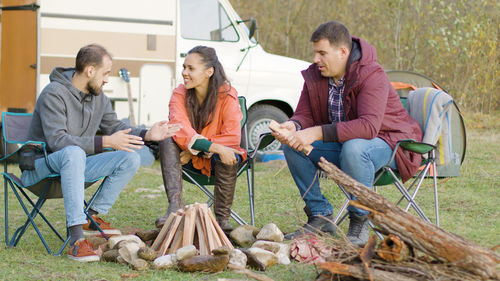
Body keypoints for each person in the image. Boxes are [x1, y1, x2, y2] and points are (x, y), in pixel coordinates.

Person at [21, 44, 181, 262]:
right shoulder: (53, 94)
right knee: (73, 153)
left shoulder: (98, 97)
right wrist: (105, 141)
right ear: (90, 71)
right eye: (105, 73)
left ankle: (91, 216)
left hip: (73, 169)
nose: (107, 79)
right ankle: (76, 240)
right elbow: (58, 141)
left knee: (129, 157)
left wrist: (148, 134)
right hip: (40, 168)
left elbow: (115, 127)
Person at [272, 21, 423, 246]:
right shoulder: (316, 74)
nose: (316, 60)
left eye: (322, 53)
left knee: (355, 147)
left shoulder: (371, 74)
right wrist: (293, 126)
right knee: (292, 146)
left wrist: (315, 133)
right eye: (315, 53)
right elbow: (305, 114)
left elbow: (369, 127)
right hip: (345, 144)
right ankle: (320, 216)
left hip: (389, 143)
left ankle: (360, 219)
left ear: (343, 52)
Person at [154, 46, 245, 232]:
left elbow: (232, 137)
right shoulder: (179, 94)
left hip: (217, 161)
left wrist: (192, 150)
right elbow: (179, 128)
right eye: (184, 67)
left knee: (228, 153)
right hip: (187, 162)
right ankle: (175, 208)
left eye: (191, 68)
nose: (184, 73)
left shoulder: (228, 95)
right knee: (167, 136)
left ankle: (222, 221)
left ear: (209, 72)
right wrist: (211, 147)